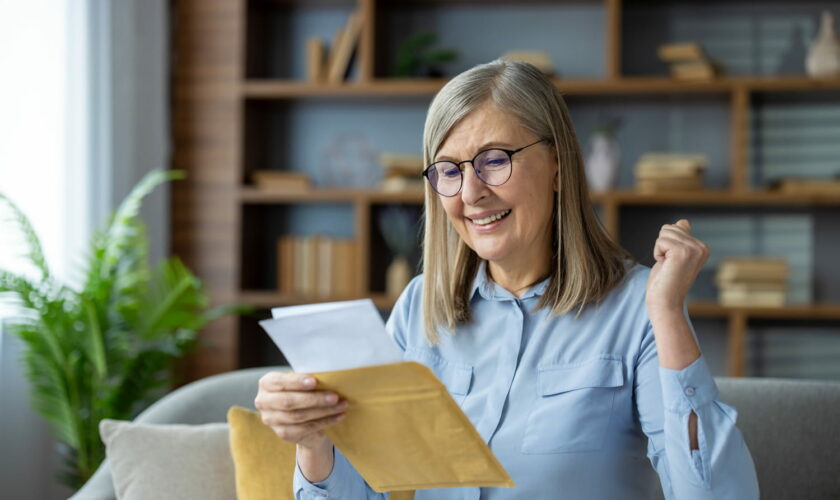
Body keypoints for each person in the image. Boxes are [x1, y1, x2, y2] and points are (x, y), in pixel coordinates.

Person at [255, 59, 760, 499]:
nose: (471, 192)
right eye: (449, 170)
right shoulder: (418, 309)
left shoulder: (640, 309)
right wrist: (313, 438)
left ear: (558, 164)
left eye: (495, 161)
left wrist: (669, 313)